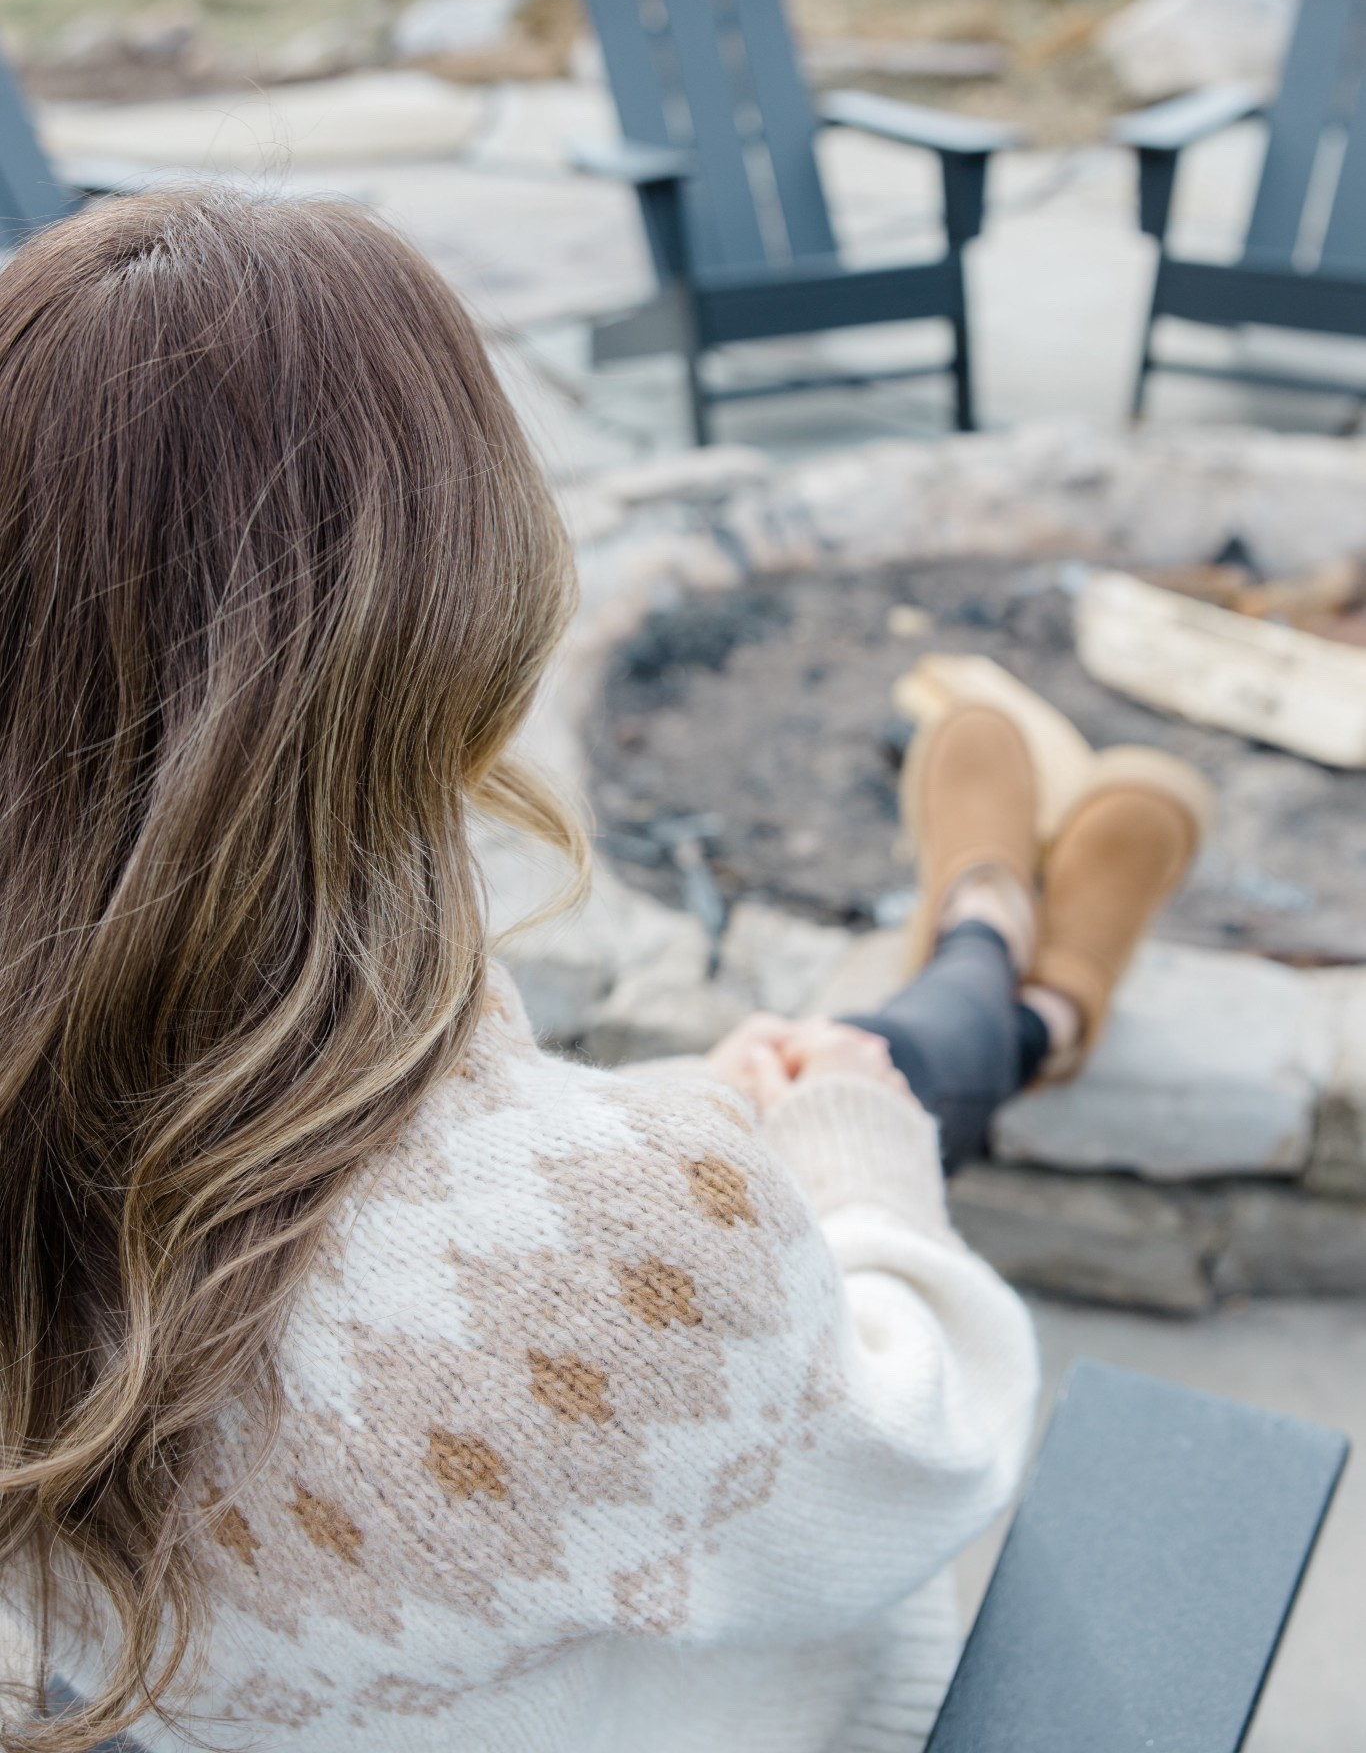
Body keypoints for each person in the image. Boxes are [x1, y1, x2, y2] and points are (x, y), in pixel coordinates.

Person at [0, 190, 1203, 1753]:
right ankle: (1004, 970)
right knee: (857, 1084)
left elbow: (378, 1220)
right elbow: (914, 1456)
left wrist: (670, 1132)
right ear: (450, 609)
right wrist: (851, 1183)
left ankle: (1005, 969)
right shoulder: (618, 1240)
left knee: (808, 1073)